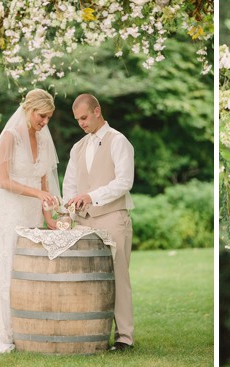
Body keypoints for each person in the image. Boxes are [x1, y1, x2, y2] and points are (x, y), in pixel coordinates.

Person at [0, 89, 60, 353]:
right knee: (6, 267)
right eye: (42, 116)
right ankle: (0, 330)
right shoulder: (9, 137)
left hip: (32, 212)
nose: (45, 122)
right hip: (11, 212)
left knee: (28, 269)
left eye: (49, 118)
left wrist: (48, 216)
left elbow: (43, 179)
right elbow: (4, 181)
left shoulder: (43, 139)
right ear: (30, 110)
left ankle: (26, 328)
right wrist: (37, 193)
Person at [63, 94, 135, 352]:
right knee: (87, 279)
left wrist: (91, 196)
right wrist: (68, 209)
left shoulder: (119, 141)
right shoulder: (77, 147)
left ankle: (124, 336)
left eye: (83, 117)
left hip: (113, 218)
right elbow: (70, 184)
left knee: (118, 278)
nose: (80, 123)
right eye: (77, 120)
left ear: (97, 111)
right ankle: (91, 332)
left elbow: (124, 181)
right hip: (83, 223)